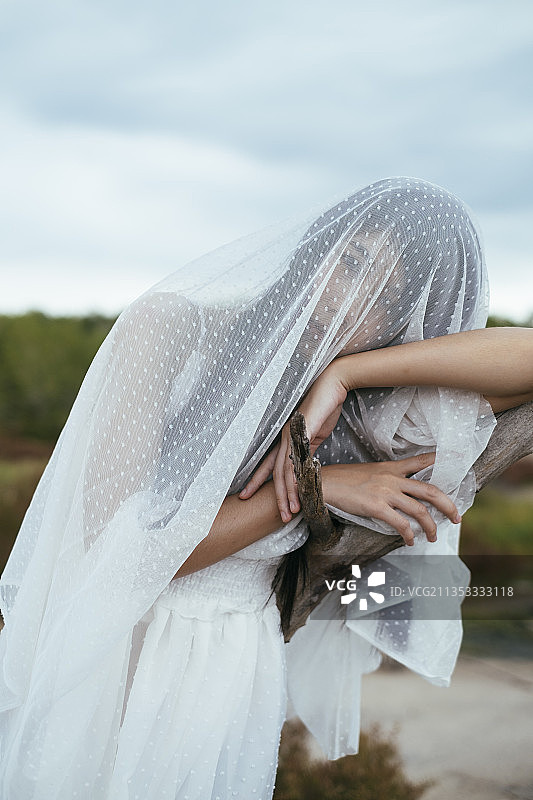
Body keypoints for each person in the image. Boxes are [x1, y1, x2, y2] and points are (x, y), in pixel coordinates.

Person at [0, 176, 531, 799]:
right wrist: (319, 487)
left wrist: (347, 373)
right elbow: (122, 554)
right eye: (351, 263)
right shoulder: (173, 329)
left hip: (230, 665)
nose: (349, 301)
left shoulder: (373, 410)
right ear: (314, 248)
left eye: (387, 297)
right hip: (109, 655)